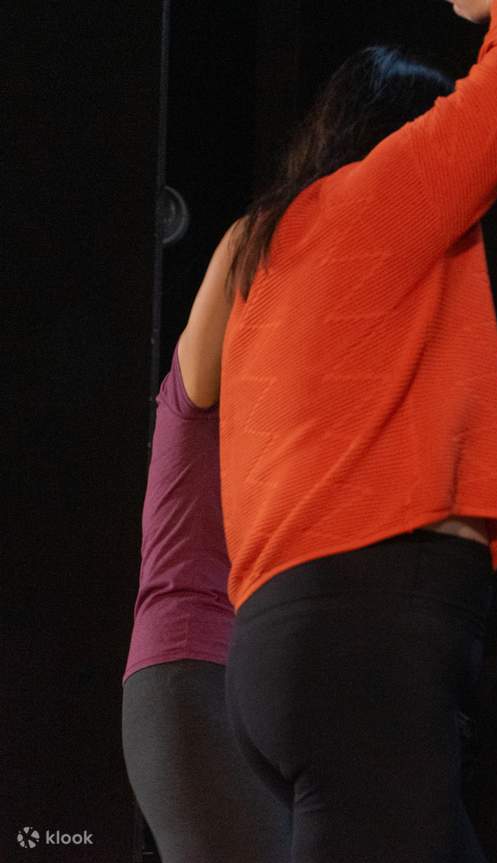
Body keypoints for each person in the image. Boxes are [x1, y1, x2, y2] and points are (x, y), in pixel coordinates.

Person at [218, 0, 497, 859]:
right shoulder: (386, 190)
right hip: (367, 629)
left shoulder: (275, 250)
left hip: (279, 643)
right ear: (406, 127)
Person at [122, 222, 291, 863]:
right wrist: (301, 209)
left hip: (245, 683)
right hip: (189, 671)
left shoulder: (279, 433)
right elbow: (242, 248)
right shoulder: (196, 392)